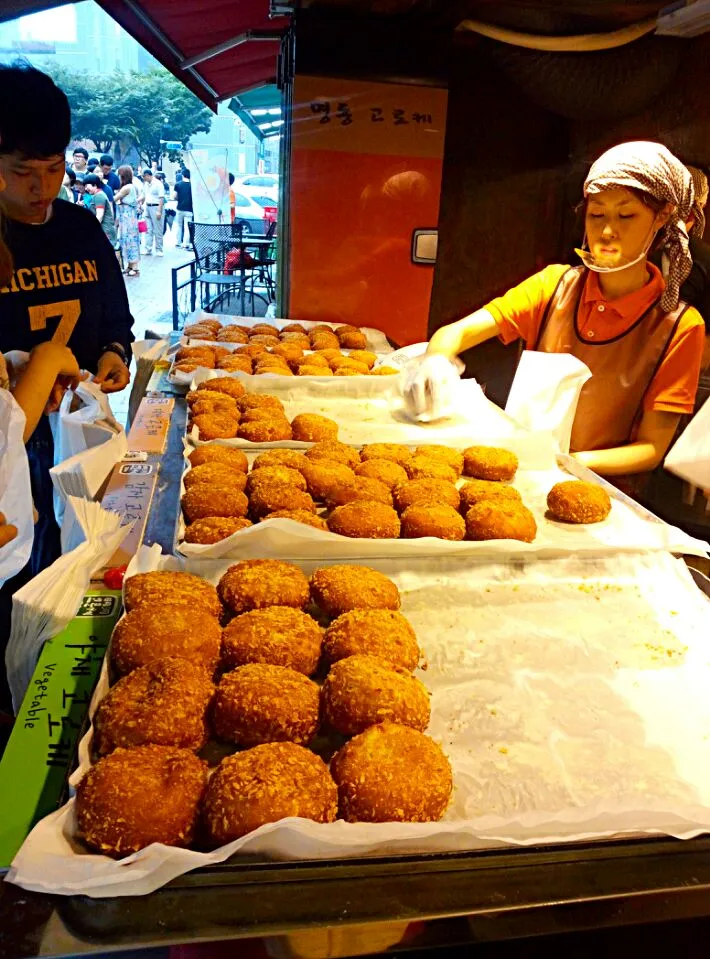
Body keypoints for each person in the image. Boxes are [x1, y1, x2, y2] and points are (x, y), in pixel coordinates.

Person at [406, 141, 705, 480]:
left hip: (601, 494)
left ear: (662, 217)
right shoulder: (554, 286)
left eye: (626, 215)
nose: (607, 230)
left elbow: (651, 449)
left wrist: (562, 461)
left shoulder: (678, 326)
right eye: (596, 214)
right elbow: (456, 332)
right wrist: (435, 360)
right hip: (518, 474)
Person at [0, 63, 134, 576]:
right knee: (23, 568)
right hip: (13, 442)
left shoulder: (81, 228)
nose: (42, 188)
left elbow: (114, 312)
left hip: (78, 428)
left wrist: (113, 352)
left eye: (54, 169)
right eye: (23, 172)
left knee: (82, 553)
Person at [114, 164, 141, 276]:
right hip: (129, 218)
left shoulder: (126, 188)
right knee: (129, 240)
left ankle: (135, 267)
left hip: (128, 218)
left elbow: (114, 198)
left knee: (131, 241)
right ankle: (130, 265)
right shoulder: (132, 186)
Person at [83, 173, 117, 249]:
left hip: (105, 231)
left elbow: (99, 215)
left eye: (86, 186)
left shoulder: (99, 196)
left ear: (94, 185)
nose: (85, 189)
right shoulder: (98, 195)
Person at [142, 168, 164, 256]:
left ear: (147, 175)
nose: (143, 178)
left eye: (143, 176)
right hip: (147, 207)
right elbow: (144, 195)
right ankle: (148, 248)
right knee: (147, 229)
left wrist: (159, 211)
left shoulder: (158, 184)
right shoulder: (146, 184)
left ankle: (159, 249)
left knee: (158, 230)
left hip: (156, 207)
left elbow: (161, 198)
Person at [174, 168, 193, 248]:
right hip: (189, 209)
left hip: (179, 208)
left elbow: (175, 196)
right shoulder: (192, 185)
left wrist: (180, 199)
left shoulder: (178, 184)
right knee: (187, 227)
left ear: (182, 175)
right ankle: (186, 244)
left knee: (179, 225)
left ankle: (178, 242)